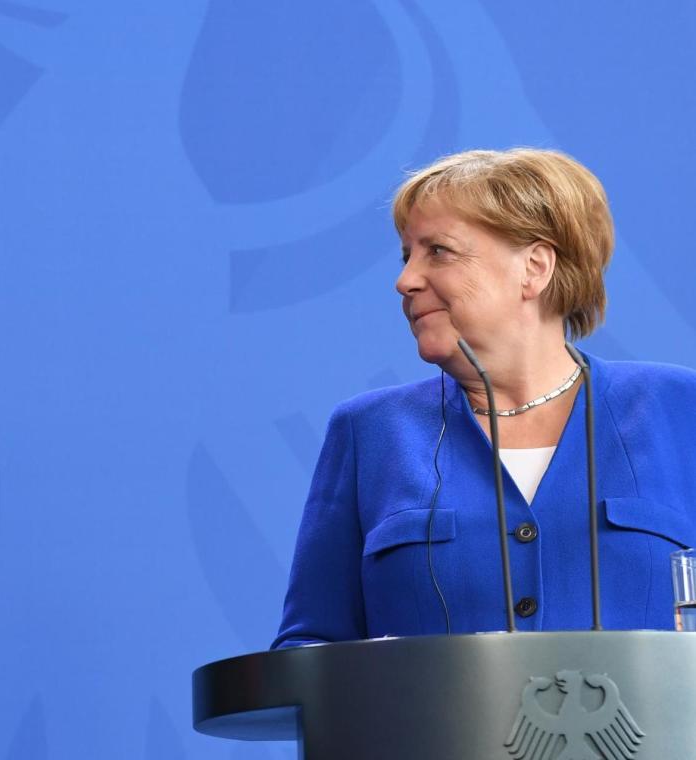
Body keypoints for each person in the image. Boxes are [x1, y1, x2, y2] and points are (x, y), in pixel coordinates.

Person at [273, 148, 696, 647]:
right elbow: (308, 651)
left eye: (438, 251)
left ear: (534, 268)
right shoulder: (369, 432)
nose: (405, 280)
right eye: (406, 255)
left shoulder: (680, 409)